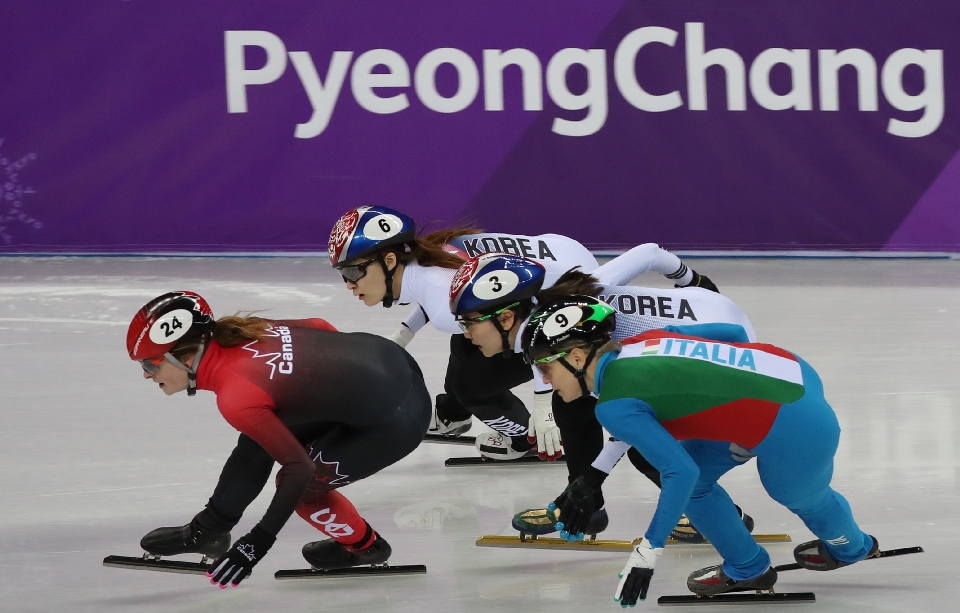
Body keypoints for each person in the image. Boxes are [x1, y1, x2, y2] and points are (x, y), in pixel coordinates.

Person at [521, 296, 878, 605]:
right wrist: (592, 477)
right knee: (697, 482)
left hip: (797, 423)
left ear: (579, 357)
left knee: (791, 492)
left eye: (544, 367)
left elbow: (678, 471)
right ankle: (747, 567)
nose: (545, 380)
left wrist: (648, 552)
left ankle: (851, 547)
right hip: (791, 372)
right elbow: (735, 336)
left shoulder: (612, 405)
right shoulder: (642, 342)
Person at [329, 206, 690, 460]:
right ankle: (454, 414)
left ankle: (524, 438)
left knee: (471, 379)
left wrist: (543, 402)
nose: (348, 285)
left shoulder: (442, 298)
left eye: (352, 273)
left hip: (562, 294)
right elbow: (437, 301)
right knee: (467, 341)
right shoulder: (429, 258)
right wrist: (404, 334)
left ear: (389, 260)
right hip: (558, 252)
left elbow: (537, 325)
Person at [127, 291, 431, 587]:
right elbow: (319, 326)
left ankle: (366, 547)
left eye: (150, 364)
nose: (146, 375)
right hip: (393, 362)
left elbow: (299, 470)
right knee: (256, 438)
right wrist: (340, 386)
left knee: (303, 491)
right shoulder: (248, 330)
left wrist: (255, 544)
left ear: (186, 357)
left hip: (399, 421)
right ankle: (209, 532)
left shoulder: (236, 396)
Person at [449, 254, 754, 542]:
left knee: (644, 449)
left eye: (468, 322)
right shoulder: (555, 313)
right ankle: (587, 506)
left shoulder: (565, 330)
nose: (465, 334)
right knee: (569, 396)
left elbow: (632, 412)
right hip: (712, 327)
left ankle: (721, 516)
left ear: (505, 319)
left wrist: (592, 479)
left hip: (727, 362)